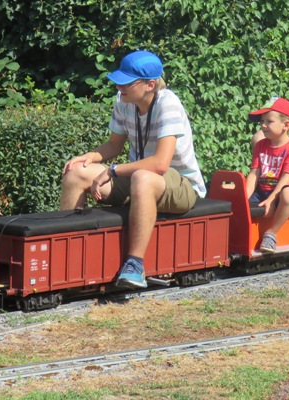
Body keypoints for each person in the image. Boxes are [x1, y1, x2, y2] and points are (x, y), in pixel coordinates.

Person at [60, 50, 206, 289]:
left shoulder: (167, 104)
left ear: (150, 85)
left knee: (143, 177)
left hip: (180, 185)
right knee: (76, 172)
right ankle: (69, 259)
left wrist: (112, 170)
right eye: (119, 81)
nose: (119, 86)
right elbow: (114, 145)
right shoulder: (123, 101)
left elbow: (160, 164)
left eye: (127, 82)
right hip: (138, 178)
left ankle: (135, 265)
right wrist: (90, 157)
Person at [246, 97, 289, 253]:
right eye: (262, 121)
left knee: (288, 194)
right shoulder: (261, 145)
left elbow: (287, 178)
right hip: (263, 190)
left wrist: (272, 199)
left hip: (284, 191)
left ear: (286, 125)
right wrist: (243, 198)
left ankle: (271, 234)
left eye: (269, 121)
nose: (263, 125)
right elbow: (254, 173)